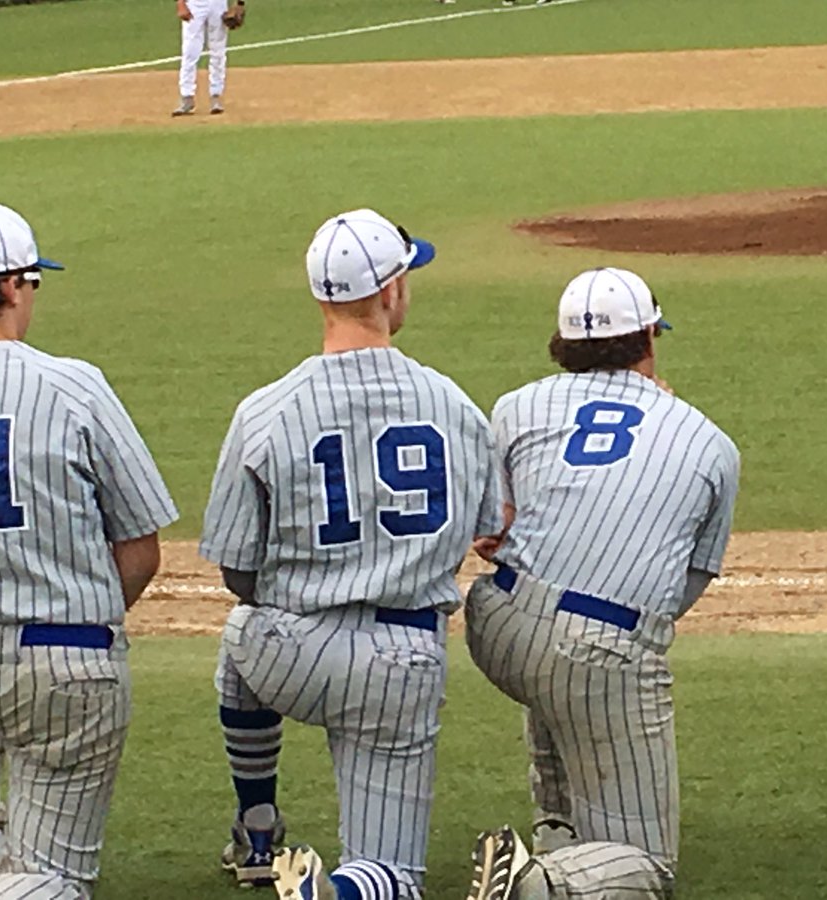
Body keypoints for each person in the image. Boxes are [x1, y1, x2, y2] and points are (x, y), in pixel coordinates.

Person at [199, 209, 504, 900]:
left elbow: (236, 571)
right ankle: (339, 889)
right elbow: (487, 533)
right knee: (389, 873)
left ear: (321, 298)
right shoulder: (453, 404)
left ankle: (257, 828)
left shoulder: (266, 410)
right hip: (400, 662)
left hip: (288, 651)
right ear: (392, 292)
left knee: (240, 638)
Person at [461, 268, 740, 899]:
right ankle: (536, 883)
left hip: (497, 627)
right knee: (647, 865)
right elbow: (682, 588)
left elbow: (489, 529)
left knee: (554, 648)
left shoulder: (515, 407)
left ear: (562, 344)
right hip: (596, 653)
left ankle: (557, 825)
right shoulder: (708, 441)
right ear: (649, 337)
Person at [0, 201, 178, 899]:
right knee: (51, 878)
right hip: (60, 665)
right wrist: (91, 629)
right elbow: (139, 548)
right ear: (14, 285)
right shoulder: (73, 385)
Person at [173, 0, 233, 116]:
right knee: (190, 51)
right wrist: (180, 3)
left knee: (218, 51)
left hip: (218, 4)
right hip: (195, 4)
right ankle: (187, 96)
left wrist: (239, 3)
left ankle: (216, 96)